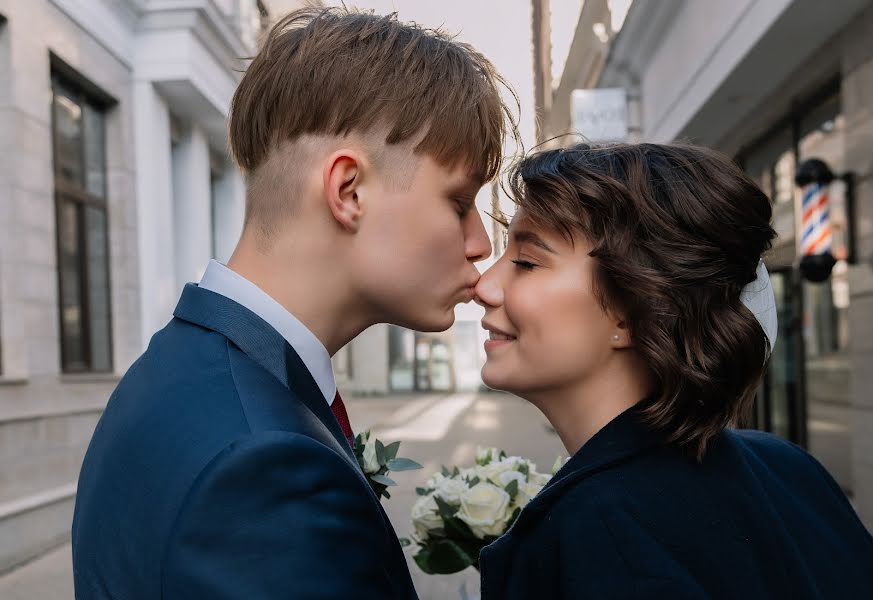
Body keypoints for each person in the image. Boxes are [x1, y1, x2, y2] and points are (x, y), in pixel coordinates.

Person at [72, 7, 515, 599]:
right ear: (348, 191)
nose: (481, 244)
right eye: (459, 202)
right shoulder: (263, 467)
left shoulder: (176, 369)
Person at [474, 142, 873, 599]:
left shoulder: (597, 534)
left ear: (633, 308)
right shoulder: (788, 469)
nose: (485, 285)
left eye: (526, 262)